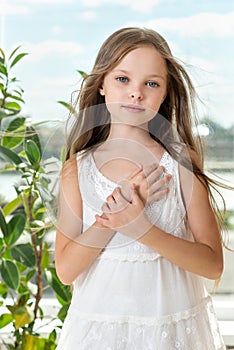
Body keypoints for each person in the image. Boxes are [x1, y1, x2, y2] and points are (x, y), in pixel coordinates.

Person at [55, 27, 227, 349]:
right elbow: (65, 270)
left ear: (164, 94)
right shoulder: (77, 169)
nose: (136, 93)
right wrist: (114, 217)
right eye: (123, 79)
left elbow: (212, 263)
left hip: (173, 332)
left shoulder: (180, 165)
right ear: (102, 85)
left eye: (151, 83)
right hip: (98, 333)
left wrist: (140, 228)